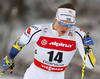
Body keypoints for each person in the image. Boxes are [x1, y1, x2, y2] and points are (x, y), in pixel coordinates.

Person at [3, 3, 96, 79]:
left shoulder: (78, 35)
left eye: (70, 25)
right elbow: (20, 43)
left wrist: (88, 51)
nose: (65, 27)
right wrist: (10, 59)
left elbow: (90, 65)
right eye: (62, 23)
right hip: (34, 75)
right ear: (55, 19)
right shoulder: (38, 30)